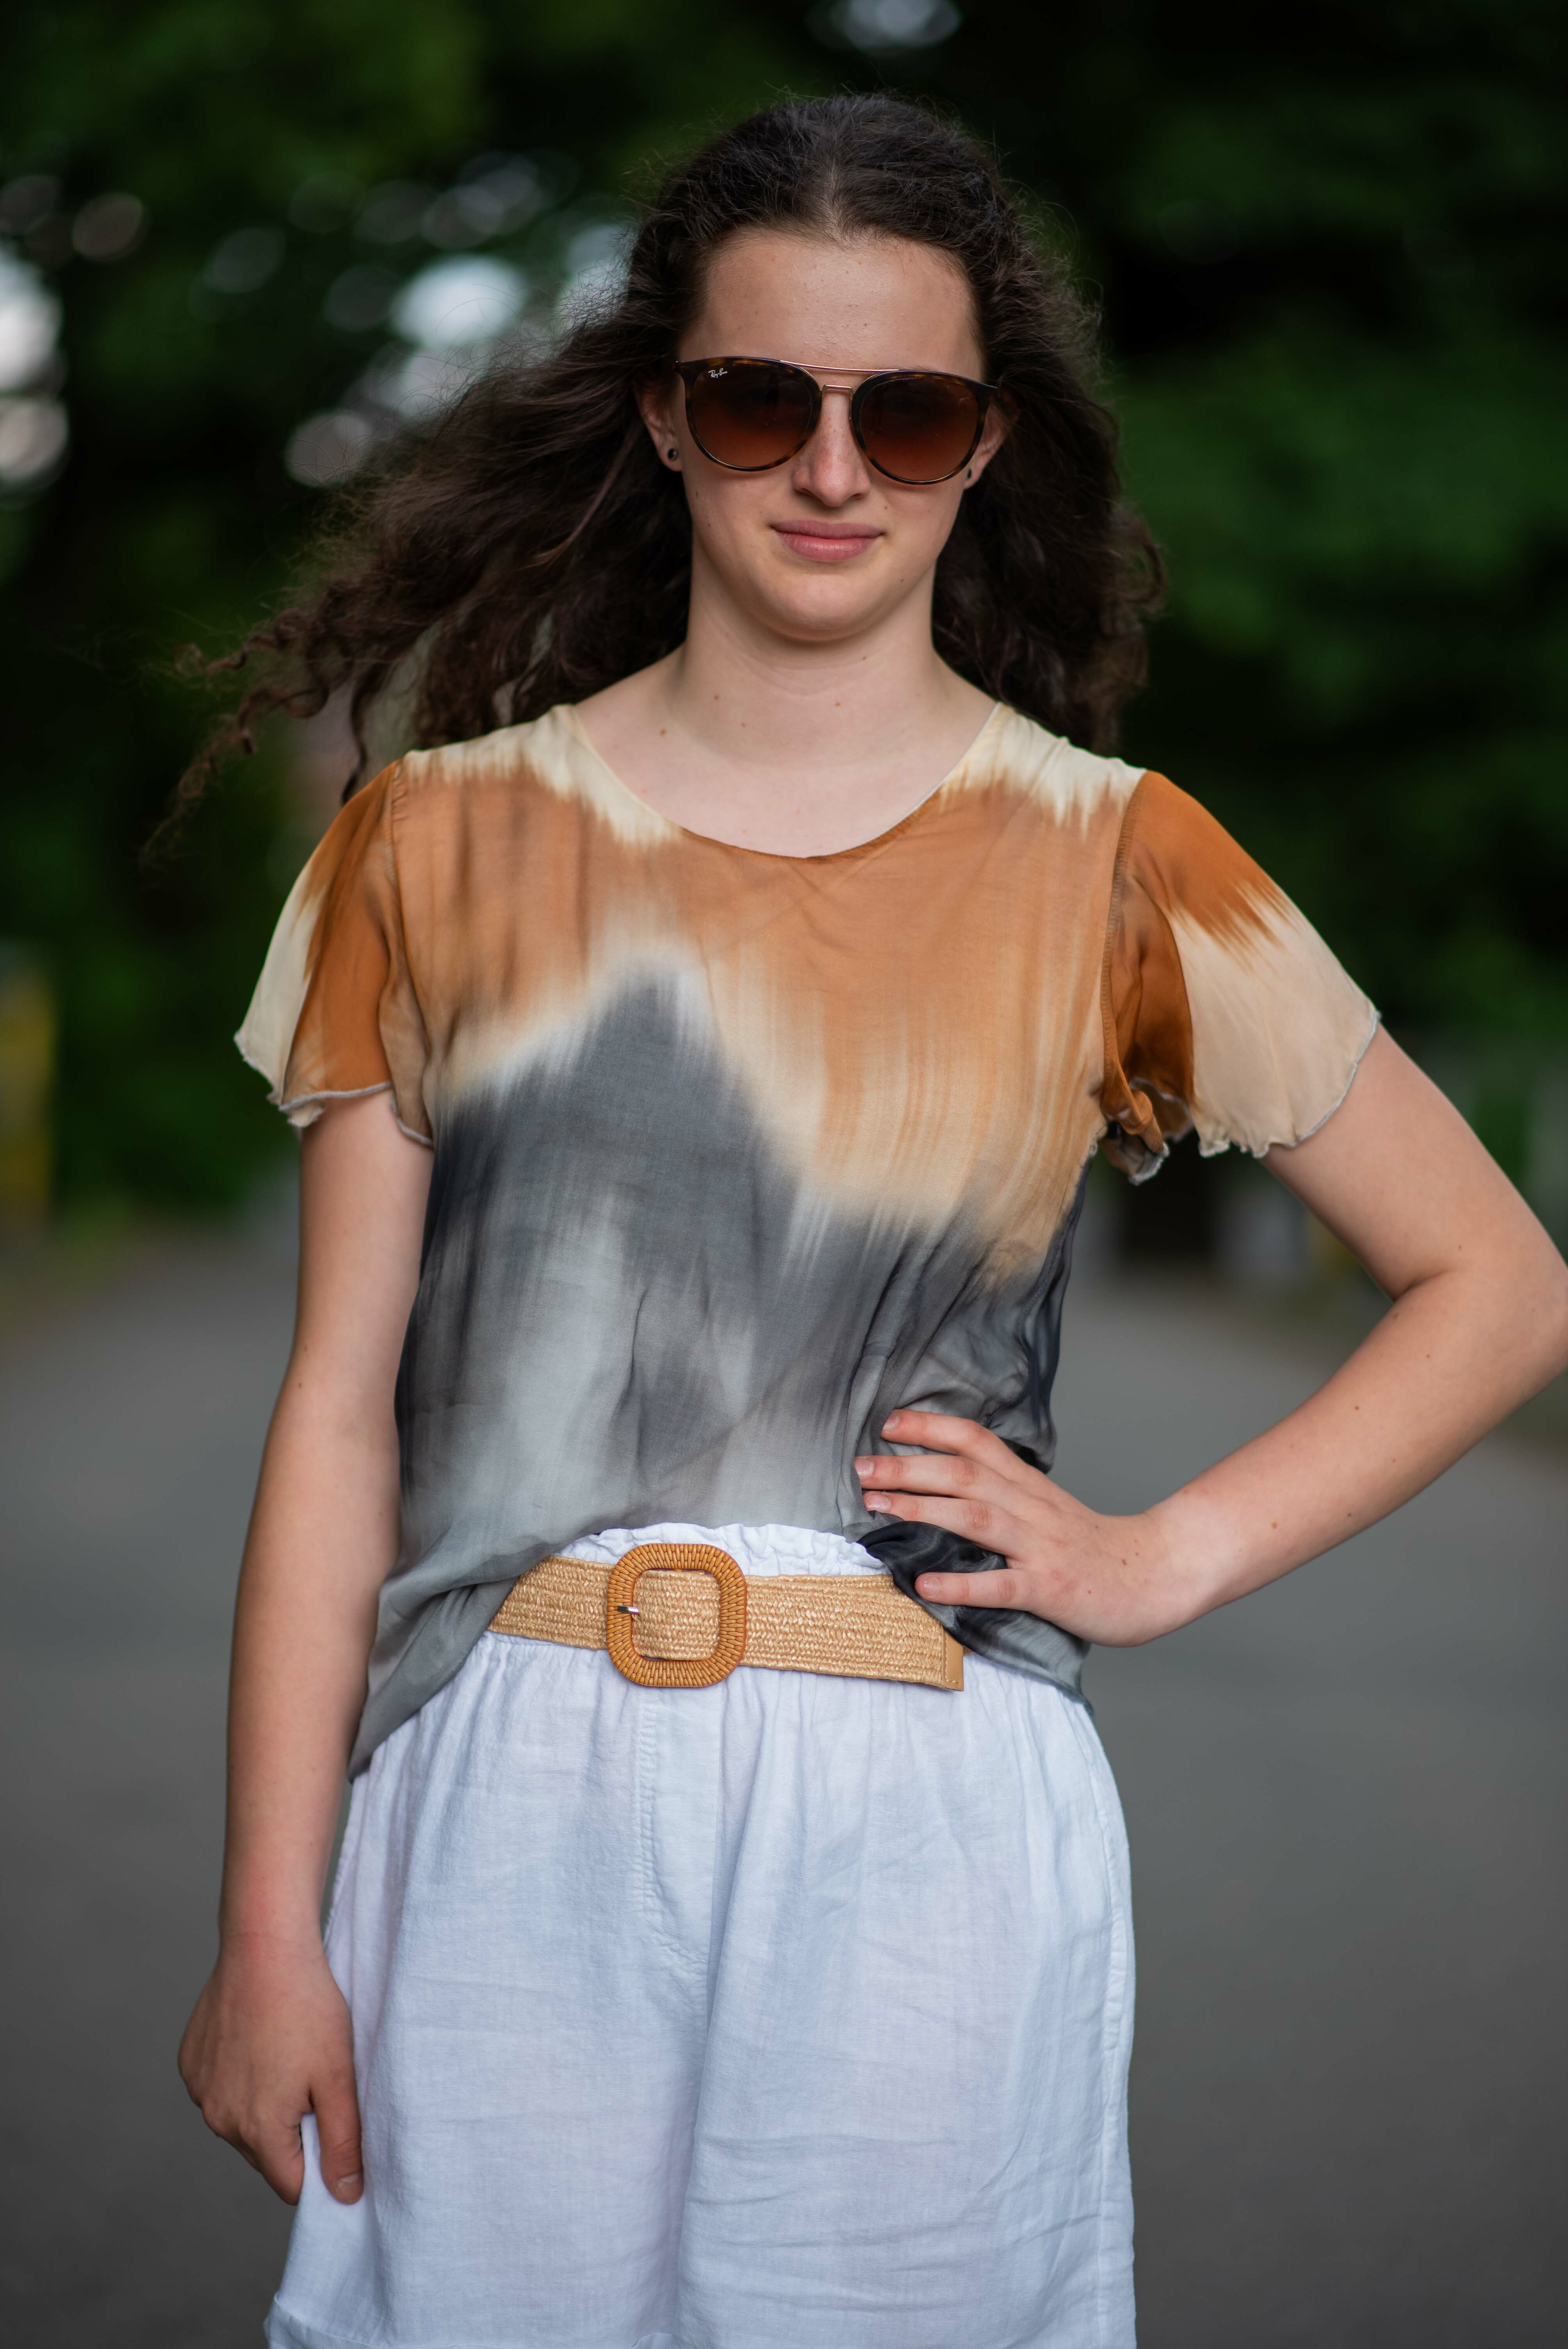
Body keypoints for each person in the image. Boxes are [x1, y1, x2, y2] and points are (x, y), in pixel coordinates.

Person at [176, 94, 1568, 2349]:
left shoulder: (1117, 862)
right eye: (763, 398)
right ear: (668, 414)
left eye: (905, 413)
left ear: (980, 445)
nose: (833, 468)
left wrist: (1166, 1555)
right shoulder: (427, 847)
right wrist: (269, 1928)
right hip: (501, 1799)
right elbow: (340, 1409)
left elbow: (1499, 1281)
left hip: (928, 1817)